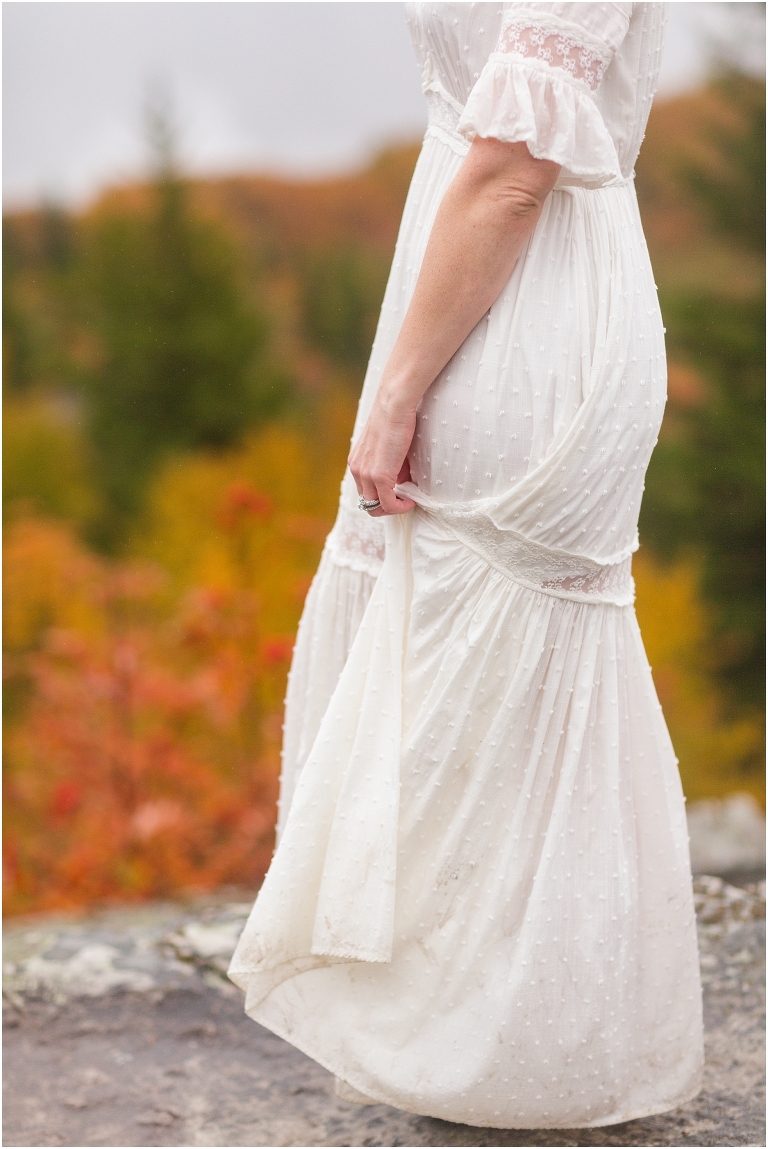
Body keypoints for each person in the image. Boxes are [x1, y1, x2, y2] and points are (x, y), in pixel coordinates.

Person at [229, 2, 704, 1129]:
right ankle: (461, 1052)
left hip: (524, 315)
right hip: (470, 295)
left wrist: (396, 390)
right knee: (465, 689)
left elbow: (513, 177)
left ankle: (510, 1064)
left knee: (483, 686)